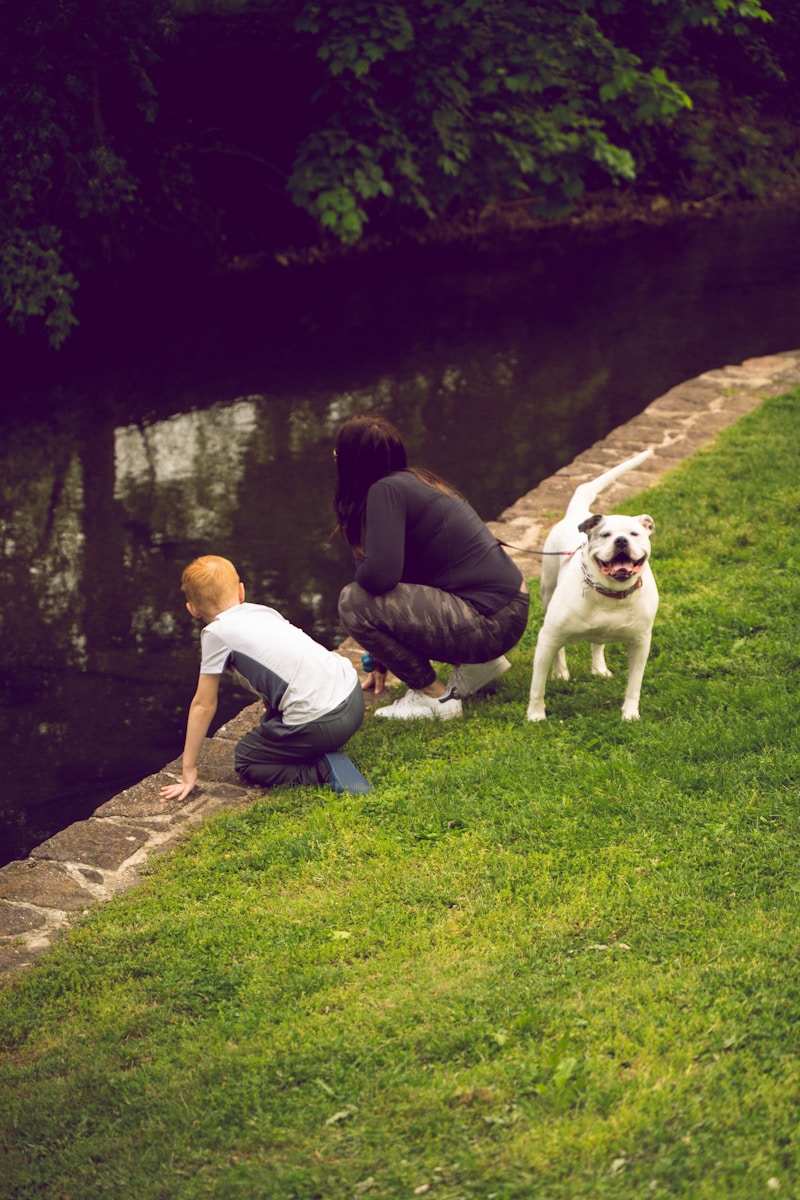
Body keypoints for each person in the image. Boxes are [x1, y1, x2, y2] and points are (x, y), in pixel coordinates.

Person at [333, 414, 530, 720]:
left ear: (350, 462)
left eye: (337, 455)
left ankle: (437, 699)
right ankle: (478, 664)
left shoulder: (384, 491)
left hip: (490, 621)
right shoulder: (416, 481)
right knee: (363, 596)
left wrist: (361, 562)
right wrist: (381, 658)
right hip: (507, 611)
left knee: (352, 601)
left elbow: (378, 577)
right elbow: (402, 587)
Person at [159, 555, 370, 802]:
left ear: (192, 609)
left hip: (322, 723)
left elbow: (204, 705)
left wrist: (189, 769)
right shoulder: (262, 611)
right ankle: (311, 746)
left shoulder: (216, 634)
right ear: (241, 592)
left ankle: (319, 770)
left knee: (248, 757)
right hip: (353, 697)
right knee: (274, 716)